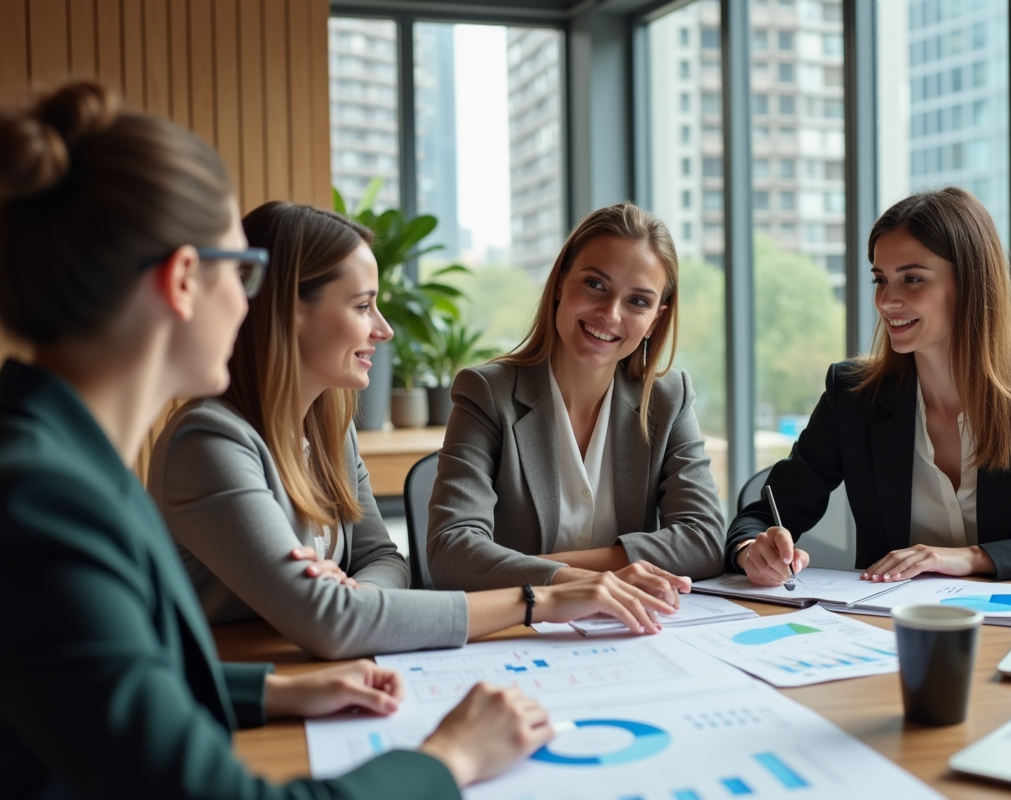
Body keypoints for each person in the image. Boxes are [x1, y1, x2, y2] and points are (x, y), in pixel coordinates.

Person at [0, 81, 554, 800]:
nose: (250, 301)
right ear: (184, 281)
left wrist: (275, 692)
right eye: (245, 271)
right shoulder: (43, 503)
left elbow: (112, 681)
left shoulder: (67, 463)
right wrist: (449, 757)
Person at [149, 200, 679, 661]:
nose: (384, 327)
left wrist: (356, 595)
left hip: (314, 673)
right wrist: (541, 597)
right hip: (229, 695)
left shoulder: (331, 426)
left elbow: (383, 560)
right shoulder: (209, 442)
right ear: (289, 313)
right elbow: (332, 622)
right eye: (362, 306)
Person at [727, 187, 1011, 586]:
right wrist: (753, 551)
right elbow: (763, 515)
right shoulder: (854, 396)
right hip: (887, 634)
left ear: (970, 283)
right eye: (880, 279)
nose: (886, 301)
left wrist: (972, 557)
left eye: (912, 278)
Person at [425, 202, 726, 593]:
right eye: (595, 284)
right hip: (519, 630)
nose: (610, 313)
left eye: (637, 301)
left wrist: (531, 569)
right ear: (561, 282)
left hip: (629, 628)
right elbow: (452, 552)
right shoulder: (487, 394)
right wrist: (580, 581)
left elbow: (703, 540)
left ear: (656, 320)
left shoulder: (668, 399)